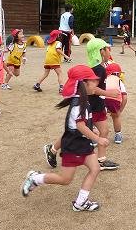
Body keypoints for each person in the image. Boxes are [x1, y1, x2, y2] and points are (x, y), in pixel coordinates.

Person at [21, 65, 107, 211]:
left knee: (95, 168)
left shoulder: (83, 101)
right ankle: (35, 178)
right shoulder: (79, 104)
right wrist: (97, 139)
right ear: (83, 84)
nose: (96, 84)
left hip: (83, 144)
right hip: (74, 146)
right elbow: (80, 127)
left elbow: (82, 124)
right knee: (65, 179)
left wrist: (91, 129)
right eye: (93, 81)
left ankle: (81, 202)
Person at [43, 38, 120, 171]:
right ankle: (53, 149)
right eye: (107, 49)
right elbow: (91, 90)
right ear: (101, 52)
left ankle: (101, 160)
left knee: (104, 130)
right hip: (92, 106)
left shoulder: (99, 67)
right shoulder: (98, 70)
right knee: (75, 132)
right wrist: (109, 94)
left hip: (97, 105)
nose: (110, 51)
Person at [105, 63, 127, 144]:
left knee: (100, 118)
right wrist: (120, 110)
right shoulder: (119, 81)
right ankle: (118, 135)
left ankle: (95, 135)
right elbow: (124, 97)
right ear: (118, 74)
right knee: (116, 117)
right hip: (114, 100)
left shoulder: (105, 79)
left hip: (103, 98)